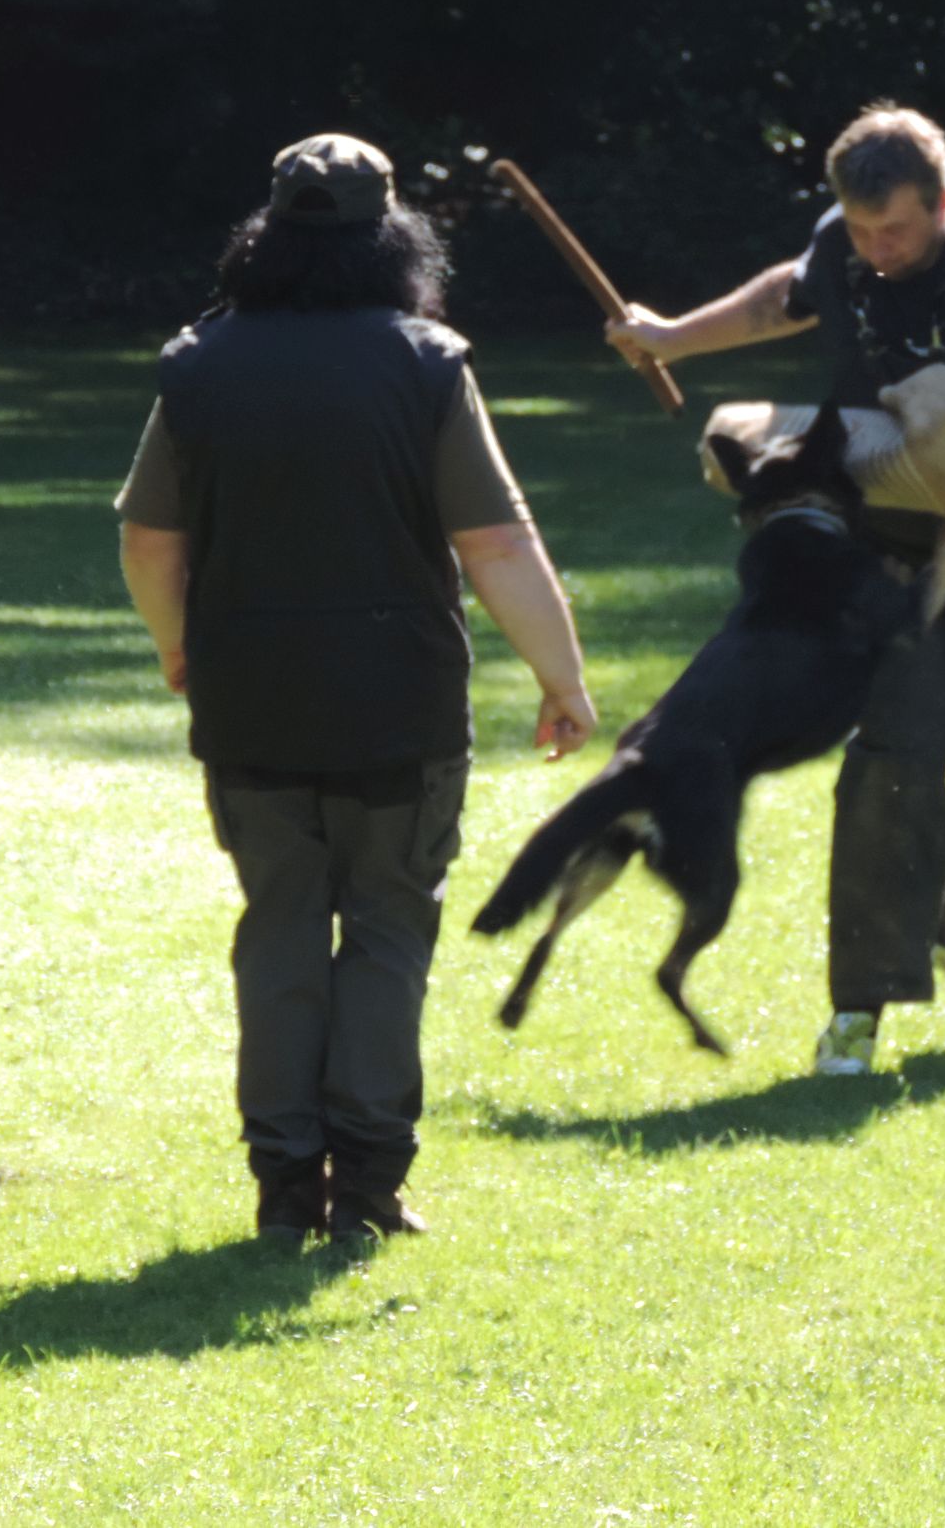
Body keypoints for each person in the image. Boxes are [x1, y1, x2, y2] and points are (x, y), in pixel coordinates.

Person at [118, 132, 597, 1245]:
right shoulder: (426, 363)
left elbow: (147, 541)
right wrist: (562, 678)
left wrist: (177, 646)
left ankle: (285, 1186)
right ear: (393, 238)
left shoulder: (198, 364)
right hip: (399, 707)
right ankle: (371, 1189)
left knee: (279, 931)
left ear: (267, 234)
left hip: (251, 700)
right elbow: (497, 542)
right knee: (387, 933)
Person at [607, 104, 945, 1075]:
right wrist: (673, 338)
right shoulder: (846, 240)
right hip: (883, 534)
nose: (876, 249)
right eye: (862, 230)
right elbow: (789, 294)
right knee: (893, 767)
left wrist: (792, 446)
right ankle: (860, 1007)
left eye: (897, 230)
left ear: (943, 203)